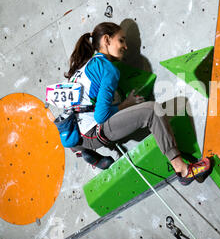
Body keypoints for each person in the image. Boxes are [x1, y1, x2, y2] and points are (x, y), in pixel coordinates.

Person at [65, 22, 210, 186]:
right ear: (106, 40)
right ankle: (183, 170)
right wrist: (127, 104)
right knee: (152, 110)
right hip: (92, 132)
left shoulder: (82, 68)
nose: (126, 46)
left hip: (76, 137)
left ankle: (84, 151)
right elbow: (100, 116)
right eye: (121, 40)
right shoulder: (107, 68)